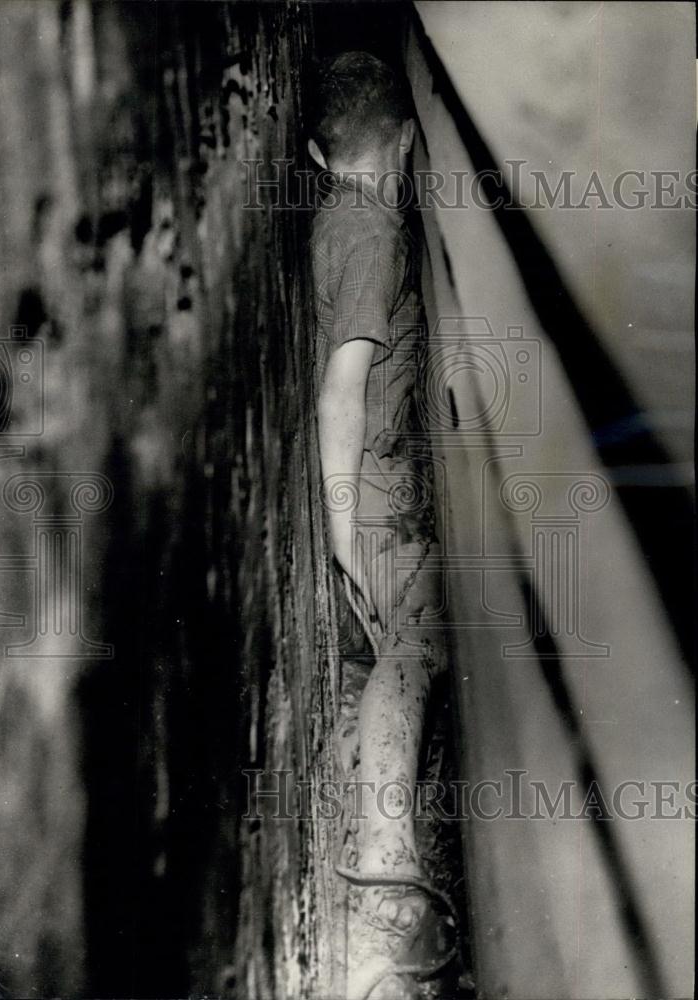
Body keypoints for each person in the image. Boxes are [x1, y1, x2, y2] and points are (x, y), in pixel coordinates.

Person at [308, 51, 456, 999]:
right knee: (416, 658)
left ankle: (383, 845)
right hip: (379, 486)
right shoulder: (374, 233)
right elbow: (343, 388)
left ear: (320, 157)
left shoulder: (333, 216)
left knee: (409, 654)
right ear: (404, 144)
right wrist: (343, 519)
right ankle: (388, 880)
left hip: (375, 485)